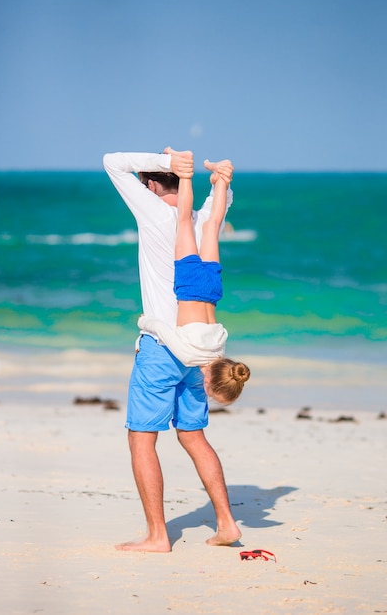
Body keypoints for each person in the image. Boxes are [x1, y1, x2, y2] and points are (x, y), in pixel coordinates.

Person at [103, 148, 241, 552]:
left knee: (142, 438)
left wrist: (172, 166)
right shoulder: (199, 221)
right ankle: (227, 523)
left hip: (165, 348)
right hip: (199, 358)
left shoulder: (159, 214)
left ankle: (158, 535)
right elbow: (220, 202)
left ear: (149, 186)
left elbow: (112, 161)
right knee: (193, 436)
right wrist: (217, 176)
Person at [138, 150, 250, 405]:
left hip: (212, 289)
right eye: (209, 391)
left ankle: (221, 178)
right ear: (208, 381)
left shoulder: (221, 348)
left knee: (211, 225)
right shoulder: (189, 357)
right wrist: (144, 322)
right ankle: (185, 174)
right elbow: (162, 330)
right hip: (188, 287)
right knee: (185, 220)